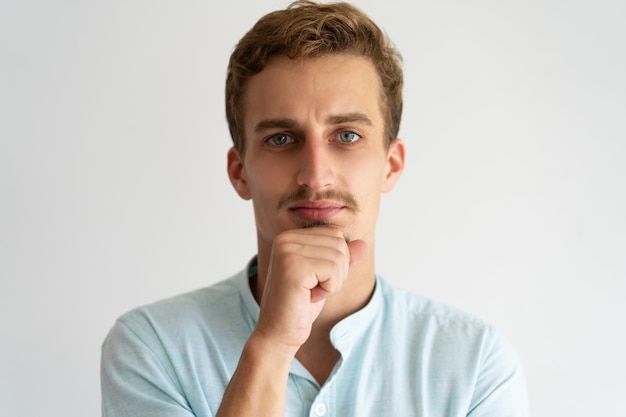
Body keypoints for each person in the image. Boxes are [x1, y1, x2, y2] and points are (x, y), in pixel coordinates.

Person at [101, 1, 529, 416]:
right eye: (281, 139)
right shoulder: (152, 348)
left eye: (346, 136)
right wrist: (270, 345)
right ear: (240, 172)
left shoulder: (475, 366)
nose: (316, 176)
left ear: (391, 165)